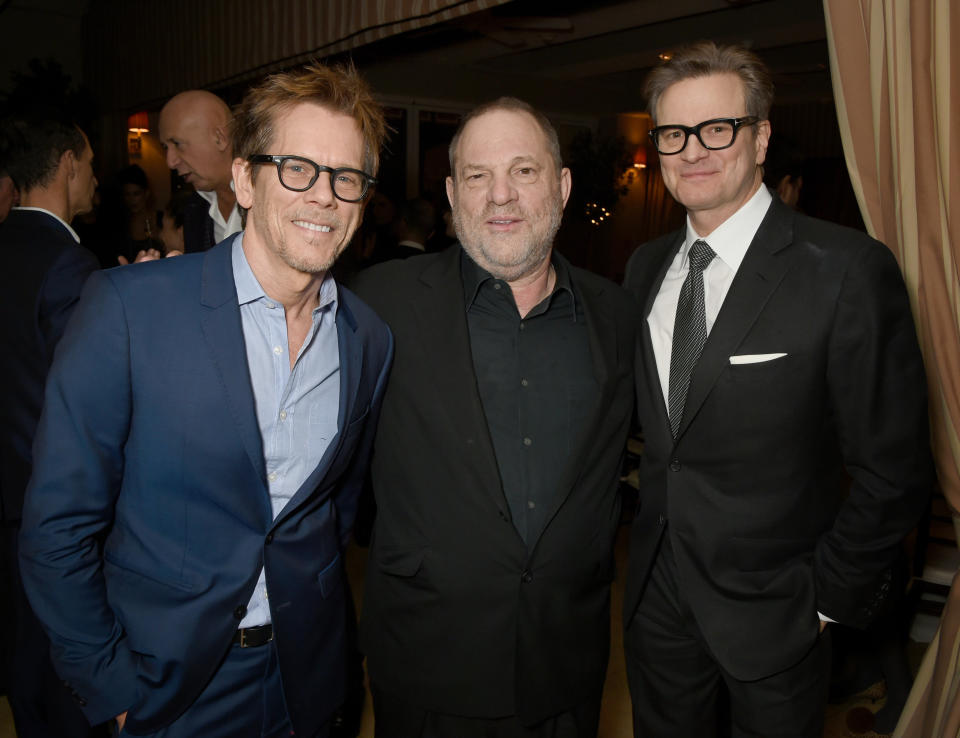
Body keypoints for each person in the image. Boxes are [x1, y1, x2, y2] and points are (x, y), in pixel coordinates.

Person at [18, 62, 393, 738]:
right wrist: (109, 687)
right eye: (298, 168)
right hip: (167, 690)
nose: (325, 197)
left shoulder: (368, 338)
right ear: (245, 177)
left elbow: (330, 518)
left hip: (305, 680)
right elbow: (56, 526)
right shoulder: (130, 308)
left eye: (346, 178)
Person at [621, 41, 933, 737]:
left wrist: (827, 601)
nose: (692, 150)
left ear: (760, 138)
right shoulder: (644, 269)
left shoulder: (846, 270)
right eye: (673, 133)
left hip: (780, 612)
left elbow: (895, 468)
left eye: (717, 129)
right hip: (658, 604)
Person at [355, 97, 637, 738]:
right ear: (453, 194)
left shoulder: (617, 317)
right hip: (430, 666)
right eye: (478, 176)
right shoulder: (380, 303)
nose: (500, 195)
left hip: (566, 663)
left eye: (524, 171)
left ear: (562, 187)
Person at [0, 113, 105, 737]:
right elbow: (87, 406)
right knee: (61, 674)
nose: (95, 178)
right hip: (48, 506)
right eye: (90, 164)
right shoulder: (68, 264)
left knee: (21, 668)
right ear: (68, 163)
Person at [158, 89, 241, 252]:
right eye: (165, 147)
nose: (170, 162)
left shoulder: (272, 199)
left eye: (177, 144)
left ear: (220, 138)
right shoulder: (194, 212)